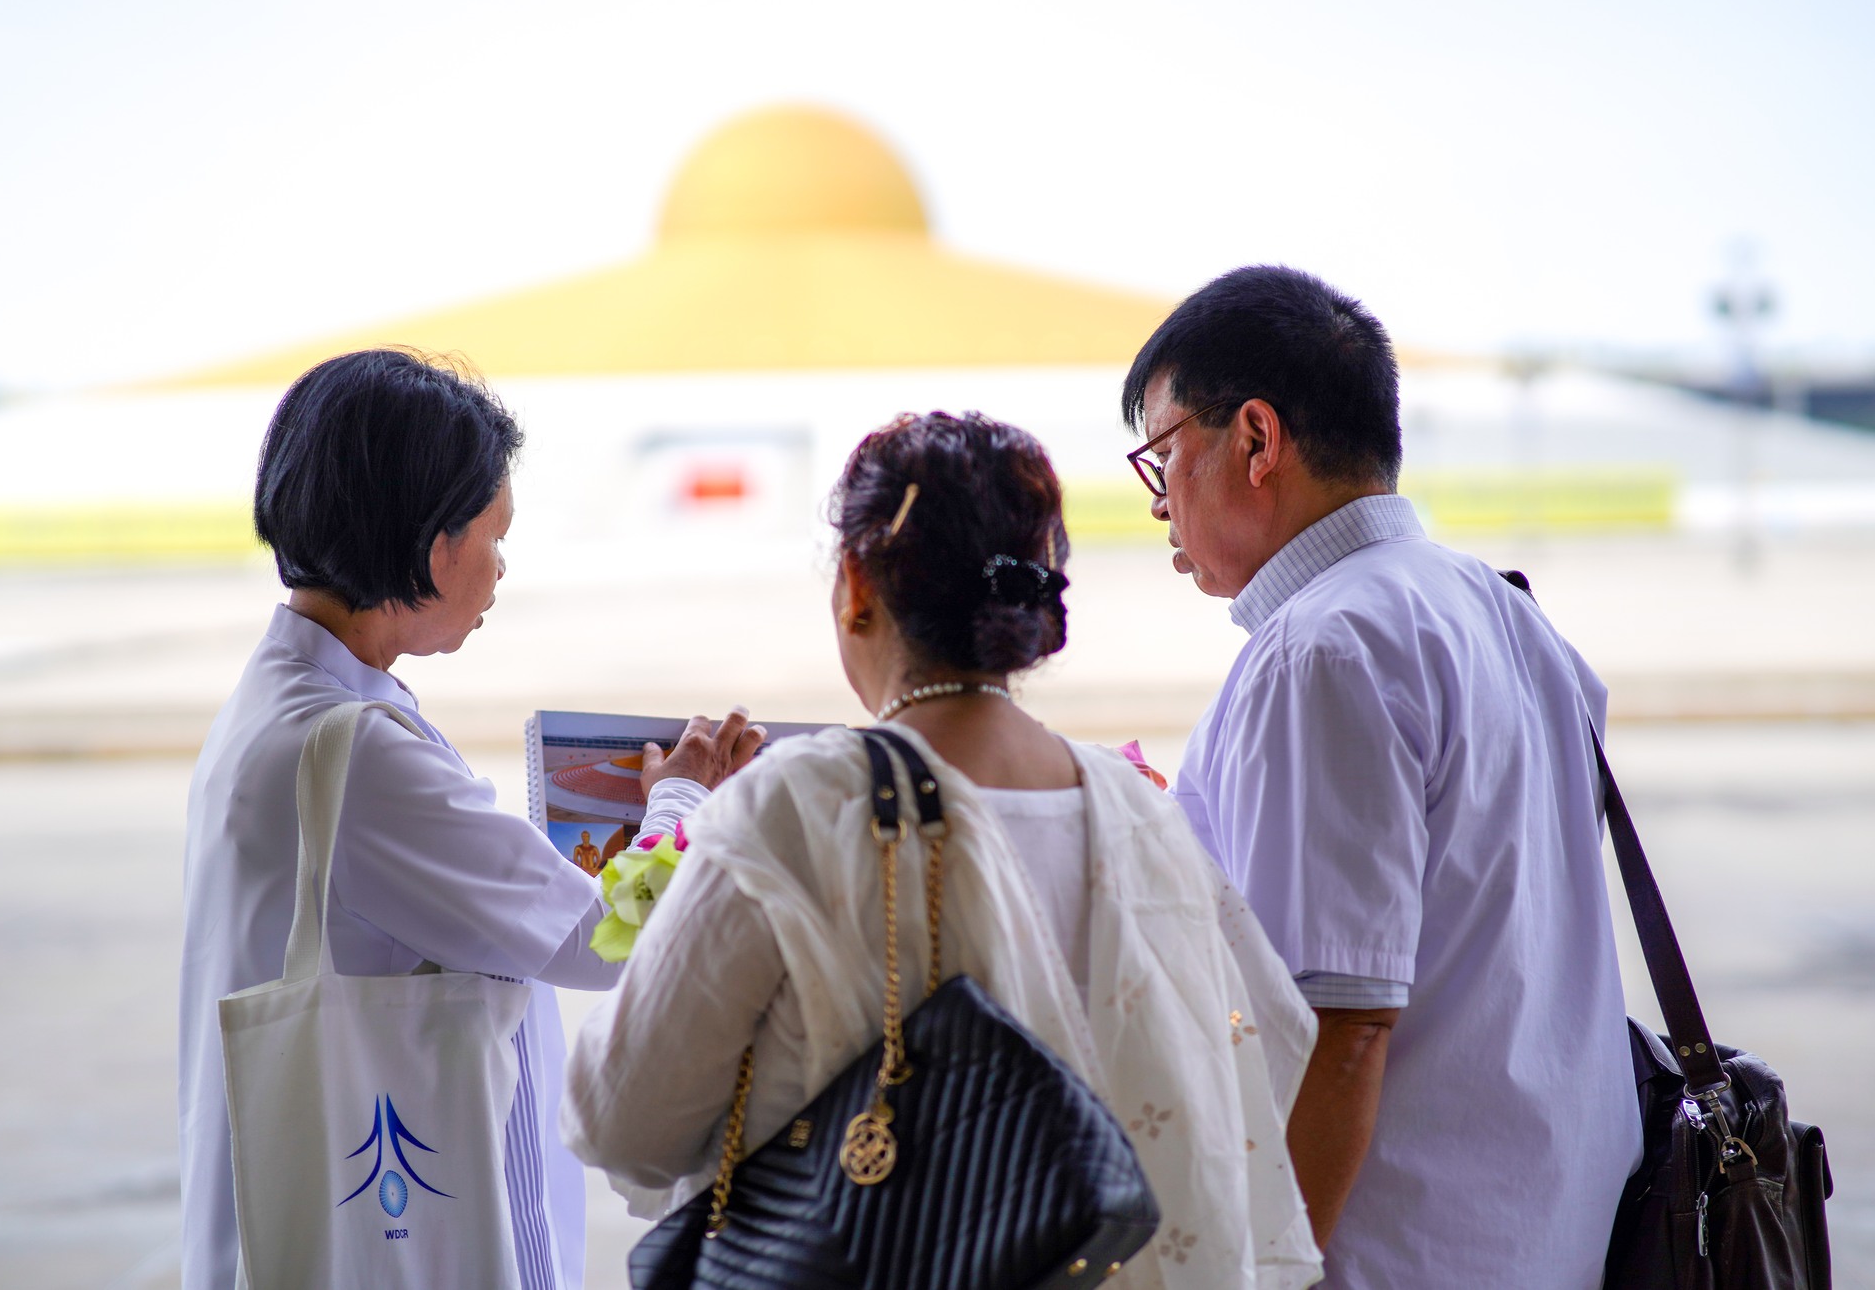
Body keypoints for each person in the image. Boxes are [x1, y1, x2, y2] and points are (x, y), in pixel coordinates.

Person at [562, 411, 1324, 1290]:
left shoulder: (801, 808)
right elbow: (1272, 1053)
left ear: (855, 583)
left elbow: (621, 1116)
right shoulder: (1139, 813)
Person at [177, 349, 761, 1290]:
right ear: (431, 541)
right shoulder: (359, 752)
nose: (498, 567)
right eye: (494, 532)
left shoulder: (286, 699)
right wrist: (684, 797)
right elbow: (607, 942)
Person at [1120, 266, 1639, 1288]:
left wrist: (1267, 1273)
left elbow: (1338, 1031)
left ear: (1256, 440)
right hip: (1546, 1240)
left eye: (1162, 455)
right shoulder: (1501, 611)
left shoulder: (1320, 652)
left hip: (1394, 1252)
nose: (1157, 506)